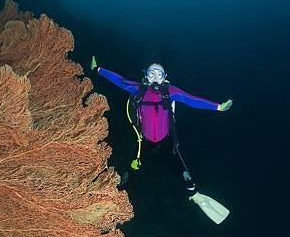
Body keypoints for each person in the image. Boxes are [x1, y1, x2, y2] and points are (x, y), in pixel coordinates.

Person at [91, 57, 233, 224]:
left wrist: (217, 107)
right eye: (152, 73)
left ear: (165, 77)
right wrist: (98, 69)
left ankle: (194, 195)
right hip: (143, 143)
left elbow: (192, 99)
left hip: (166, 143)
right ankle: (119, 191)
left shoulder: (171, 92)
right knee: (133, 169)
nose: (156, 76)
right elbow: (119, 80)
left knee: (183, 172)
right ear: (146, 76)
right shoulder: (138, 89)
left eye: (159, 73)